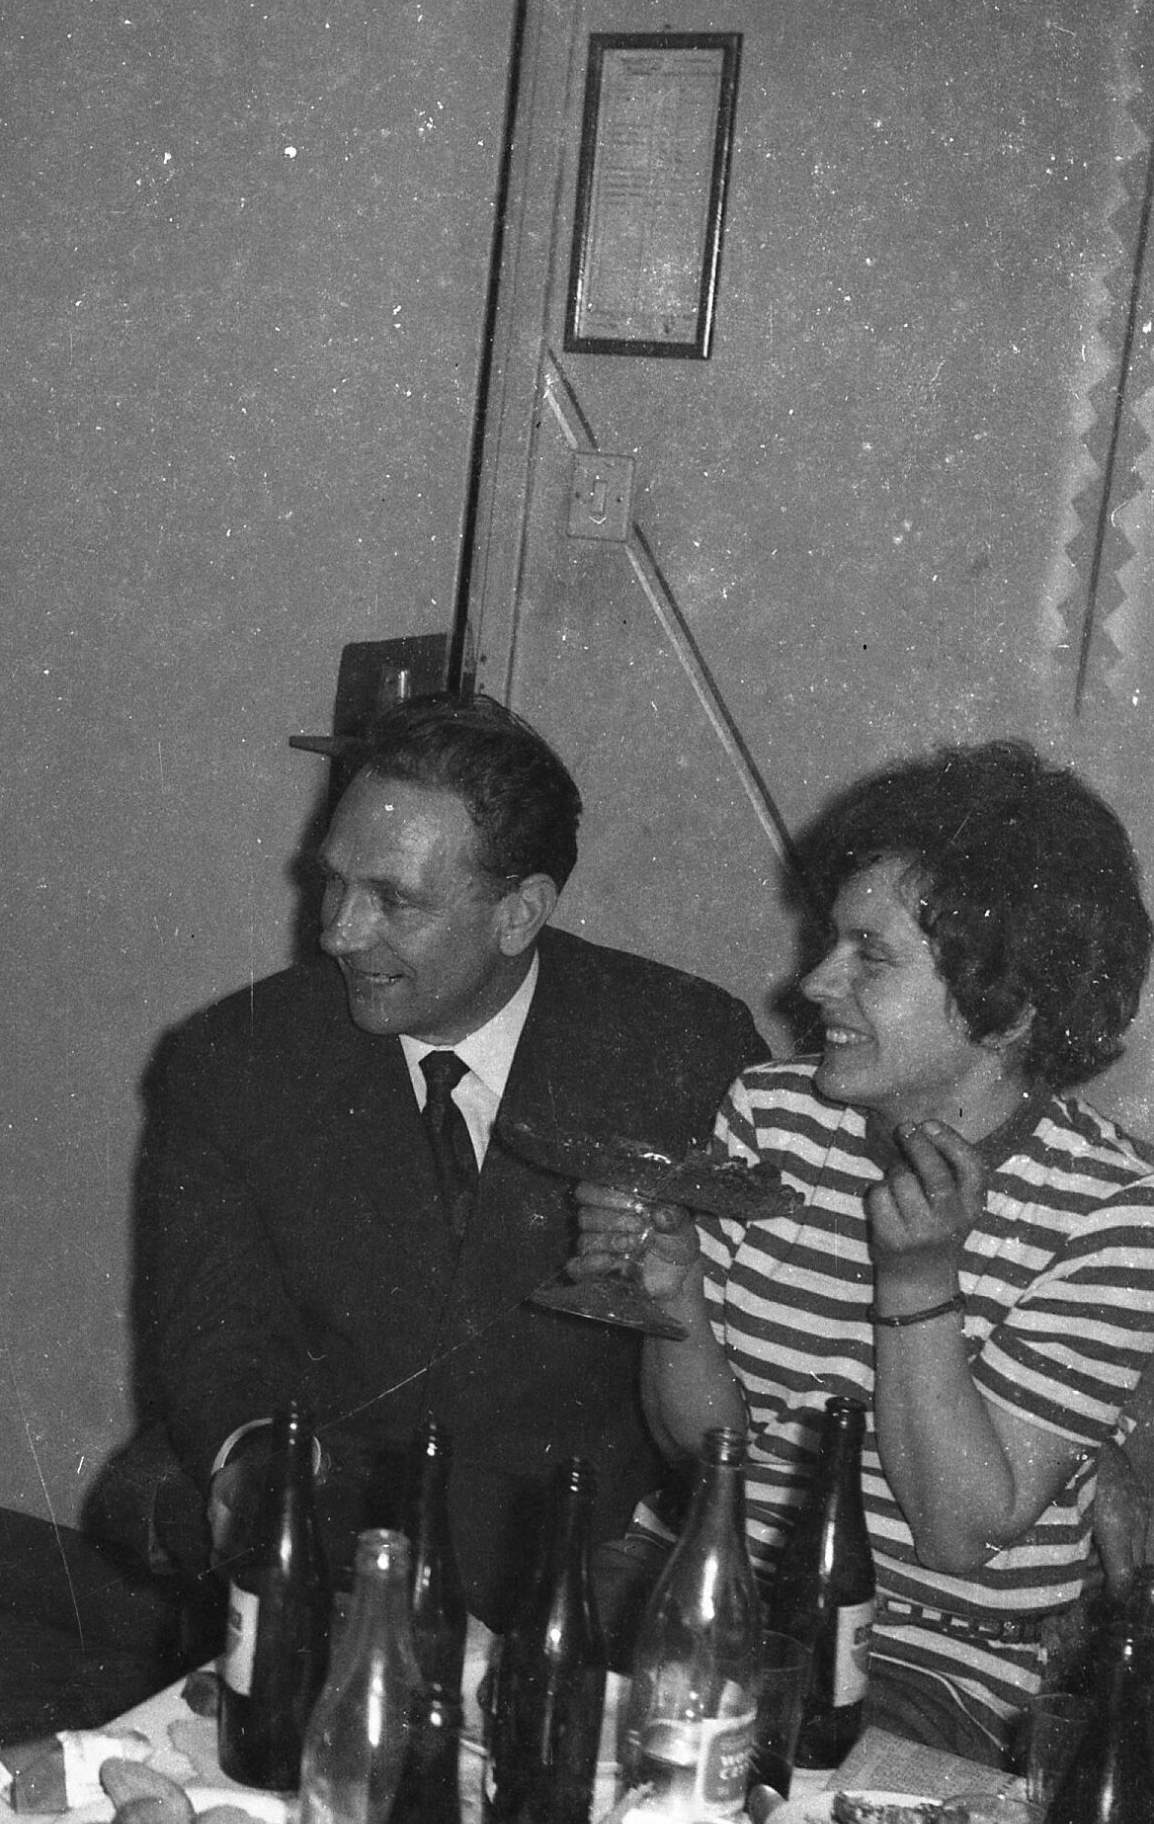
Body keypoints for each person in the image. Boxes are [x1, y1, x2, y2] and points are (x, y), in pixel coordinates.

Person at [139, 693, 767, 1633]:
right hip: (343, 1538)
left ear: (519, 913)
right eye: (334, 882)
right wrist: (259, 1463)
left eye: (395, 900)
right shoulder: (236, 1062)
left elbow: (747, 1355)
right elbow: (216, 1336)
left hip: (590, 1555)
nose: (340, 931)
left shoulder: (681, 1048)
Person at [578, 739, 1154, 1762]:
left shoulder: (1112, 1212)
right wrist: (673, 1291)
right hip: (720, 1599)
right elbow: (708, 1451)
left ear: (1008, 1009)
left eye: (869, 956)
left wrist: (918, 1281)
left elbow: (957, 1533)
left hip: (931, 1667)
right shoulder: (772, 1115)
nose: (813, 980)